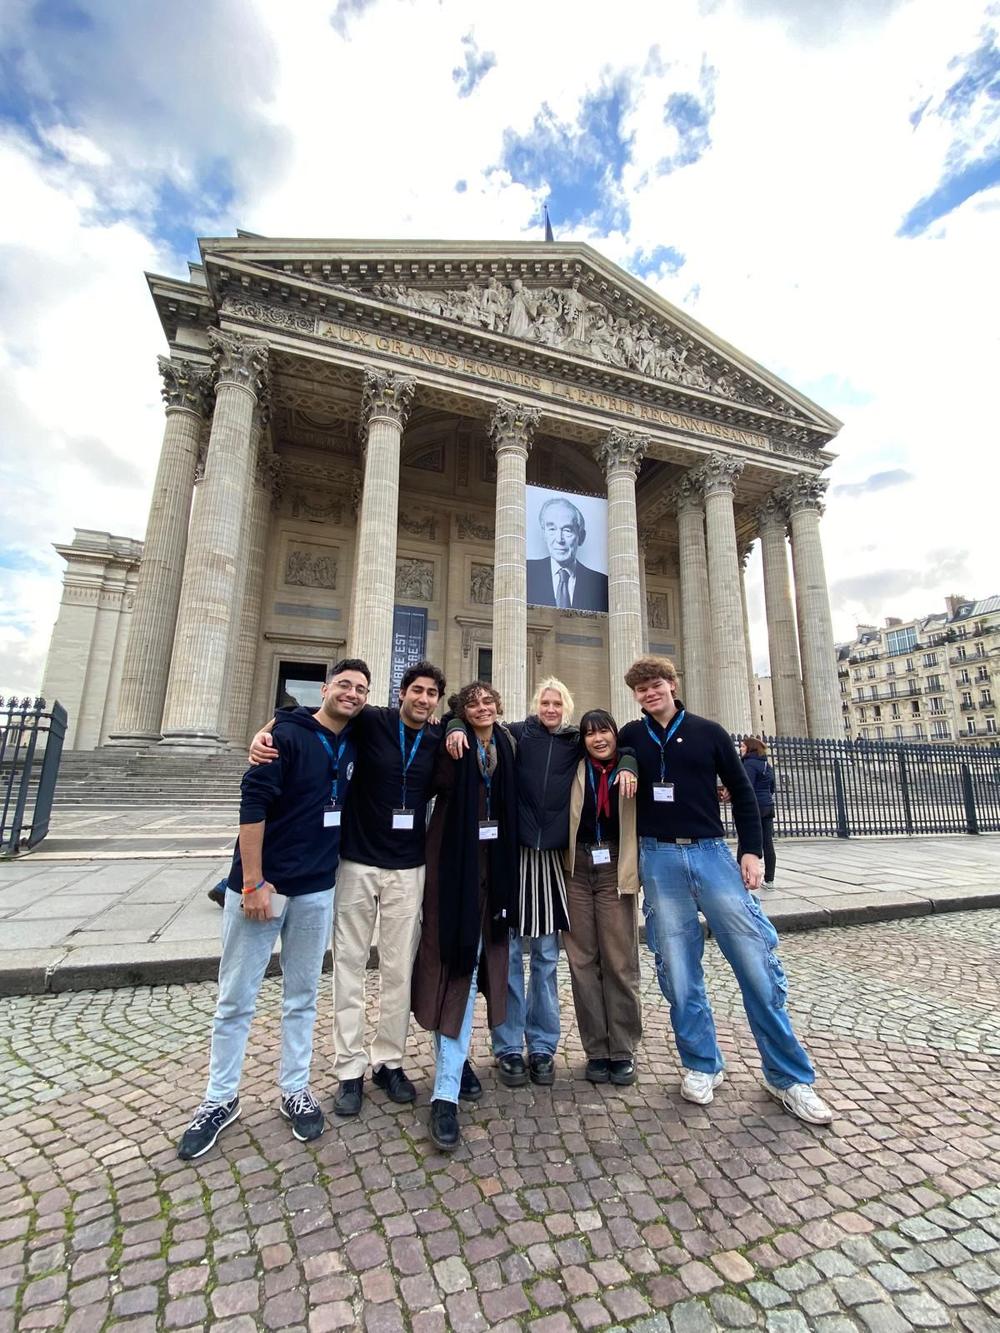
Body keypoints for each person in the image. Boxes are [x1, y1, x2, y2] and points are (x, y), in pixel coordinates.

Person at [618, 656, 833, 1126]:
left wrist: (751, 851)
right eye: (641, 688)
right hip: (658, 857)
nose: (650, 693)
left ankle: (788, 1076)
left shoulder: (709, 731)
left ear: (672, 685)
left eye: (656, 685)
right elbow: (601, 750)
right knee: (677, 969)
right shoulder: (631, 735)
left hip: (711, 854)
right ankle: (702, 1063)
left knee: (755, 961)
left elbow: (741, 791)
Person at [177, 659, 370, 1160]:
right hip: (264, 886)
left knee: (302, 995)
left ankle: (295, 1088)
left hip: (316, 888)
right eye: (344, 685)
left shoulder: (356, 737)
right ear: (324, 689)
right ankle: (219, 1098)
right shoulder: (284, 735)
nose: (352, 694)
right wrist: (253, 881)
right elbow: (253, 806)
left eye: (360, 689)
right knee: (236, 997)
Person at [249, 660, 446, 1118]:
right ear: (401, 693)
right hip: (357, 862)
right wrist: (267, 731)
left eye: (431, 693)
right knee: (350, 966)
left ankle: (389, 1061)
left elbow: (471, 726)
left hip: (408, 868)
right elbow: (317, 715)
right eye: (416, 690)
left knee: (398, 969)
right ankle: (349, 1068)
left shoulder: (438, 736)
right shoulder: (372, 721)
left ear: (437, 700)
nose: (423, 699)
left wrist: (453, 725)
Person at [447, 676, 578, 1088]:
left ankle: (542, 1045)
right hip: (513, 856)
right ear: (535, 705)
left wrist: (626, 761)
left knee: (546, 958)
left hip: (550, 861)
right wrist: (455, 724)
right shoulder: (517, 734)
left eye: (558, 703)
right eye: (545, 702)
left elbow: (613, 745)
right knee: (507, 956)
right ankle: (507, 1045)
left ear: (567, 707)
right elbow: (476, 723)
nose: (551, 709)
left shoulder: (576, 740)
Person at [413, 682, 518, 1151]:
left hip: (494, 872)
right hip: (453, 870)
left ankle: (455, 1066)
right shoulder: (448, 741)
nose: (482, 708)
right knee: (456, 968)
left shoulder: (508, 743)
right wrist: (451, 726)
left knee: (474, 967)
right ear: (460, 711)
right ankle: (446, 1092)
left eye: (488, 701)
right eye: (471, 704)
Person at [563, 710, 642, 1085]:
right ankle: (596, 1050)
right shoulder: (574, 766)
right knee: (582, 961)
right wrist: (455, 722)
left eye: (604, 731)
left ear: (615, 733)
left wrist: (628, 759)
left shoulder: (630, 764)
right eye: (590, 733)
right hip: (576, 869)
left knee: (619, 960)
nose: (598, 739)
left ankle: (622, 1049)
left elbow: (638, 744)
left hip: (613, 867)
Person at [526, 496, 609, 613]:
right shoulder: (525, 571)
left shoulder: (602, 583)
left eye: (567, 530)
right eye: (552, 529)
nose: (559, 539)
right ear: (544, 534)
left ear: (581, 537)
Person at [738, 737, 776, 889]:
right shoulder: (766, 764)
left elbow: (746, 786)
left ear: (750, 748)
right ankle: (769, 879)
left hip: (754, 807)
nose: (740, 749)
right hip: (767, 806)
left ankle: (740, 877)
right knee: (767, 843)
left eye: (743, 746)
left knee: (745, 841)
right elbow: (772, 787)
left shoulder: (749, 764)